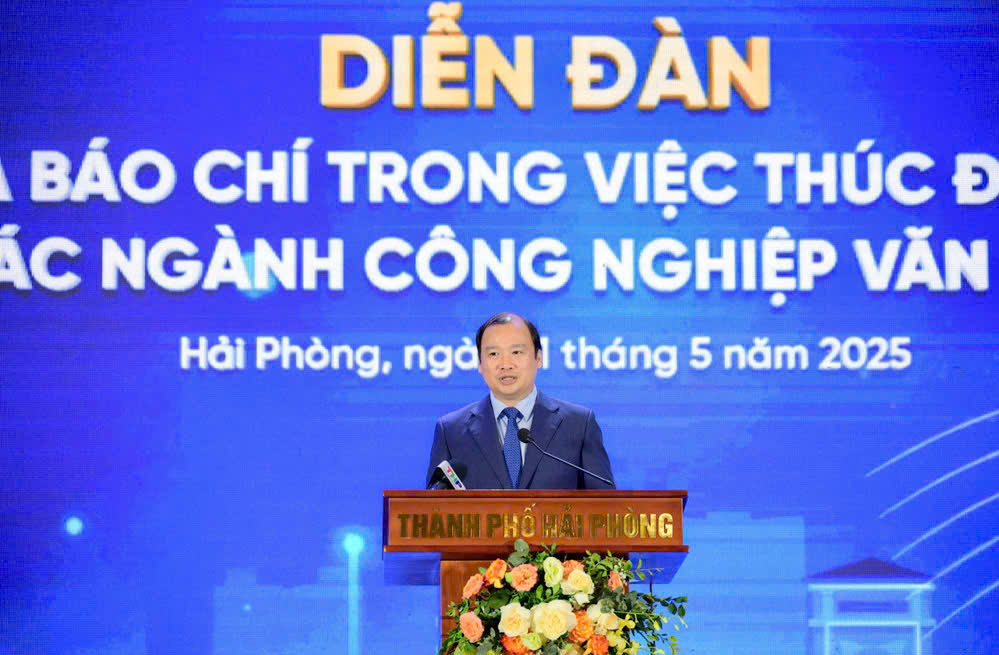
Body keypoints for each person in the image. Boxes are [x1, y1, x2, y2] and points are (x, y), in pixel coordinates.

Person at [426, 312, 615, 490]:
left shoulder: (578, 425)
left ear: (538, 358)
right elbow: (434, 509)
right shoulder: (451, 431)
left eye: (516, 352)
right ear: (480, 364)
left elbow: (604, 505)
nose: (505, 364)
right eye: (493, 354)